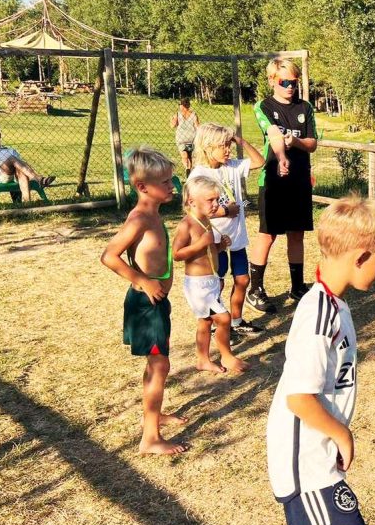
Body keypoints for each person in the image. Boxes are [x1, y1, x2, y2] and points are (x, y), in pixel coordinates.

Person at [266, 195, 375, 525]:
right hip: (308, 463)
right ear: (361, 256)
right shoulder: (320, 314)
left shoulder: (332, 304)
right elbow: (299, 397)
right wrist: (341, 433)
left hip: (313, 456)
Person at [100, 146, 187, 456]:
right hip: (146, 306)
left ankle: (155, 414)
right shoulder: (139, 218)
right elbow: (109, 256)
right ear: (141, 187)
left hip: (157, 304)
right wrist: (143, 280)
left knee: (156, 363)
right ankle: (150, 437)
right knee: (160, 364)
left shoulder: (153, 213)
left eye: (171, 179)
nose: (171, 185)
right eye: (164, 181)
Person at [190, 122, 288, 339]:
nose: (228, 150)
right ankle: (218, 325)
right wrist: (225, 211)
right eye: (223, 146)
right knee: (218, 283)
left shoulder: (232, 166)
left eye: (229, 144)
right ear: (207, 147)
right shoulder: (199, 174)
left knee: (242, 280)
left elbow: (260, 162)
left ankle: (236, 320)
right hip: (216, 241)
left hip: (237, 238)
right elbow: (194, 211)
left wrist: (239, 140)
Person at [248, 59, 319, 312]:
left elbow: (312, 143)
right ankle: (255, 289)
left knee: (297, 234)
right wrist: (281, 158)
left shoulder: (305, 107)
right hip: (274, 180)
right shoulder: (263, 106)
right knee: (268, 234)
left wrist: (296, 143)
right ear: (271, 81)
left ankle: (297, 287)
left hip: (300, 179)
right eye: (284, 82)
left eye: (294, 82)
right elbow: (274, 135)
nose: (290, 87)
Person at [174, 174, 251, 375]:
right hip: (197, 285)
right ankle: (227, 356)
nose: (216, 204)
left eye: (217, 199)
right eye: (210, 200)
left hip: (211, 281)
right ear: (191, 202)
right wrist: (201, 243)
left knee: (206, 321)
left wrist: (219, 245)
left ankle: (202, 359)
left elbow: (207, 251)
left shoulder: (206, 221)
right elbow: (177, 254)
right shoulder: (187, 225)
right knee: (224, 319)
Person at [0, 123, 55, 202]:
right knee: (12, 159)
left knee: (21, 170)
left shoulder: (10, 150)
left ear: (0, 135)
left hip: (13, 176)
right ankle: (38, 179)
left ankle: (27, 203)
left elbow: (21, 166)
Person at [170, 97, 200, 176]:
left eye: (180, 105)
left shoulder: (177, 114)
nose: (179, 106)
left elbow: (172, 126)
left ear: (182, 105)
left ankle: (187, 169)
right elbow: (197, 126)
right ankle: (189, 170)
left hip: (181, 139)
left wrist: (172, 119)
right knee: (189, 156)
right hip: (191, 138)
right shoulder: (193, 114)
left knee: (184, 156)